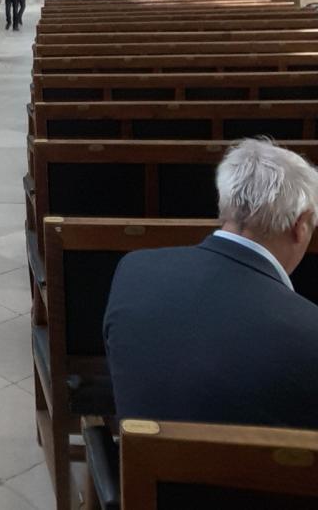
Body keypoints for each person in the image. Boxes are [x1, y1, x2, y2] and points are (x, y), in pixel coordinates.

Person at [103, 137, 318, 430]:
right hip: (253, 475)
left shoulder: (133, 269)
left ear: (224, 205)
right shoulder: (310, 332)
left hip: (134, 470)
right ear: (301, 224)